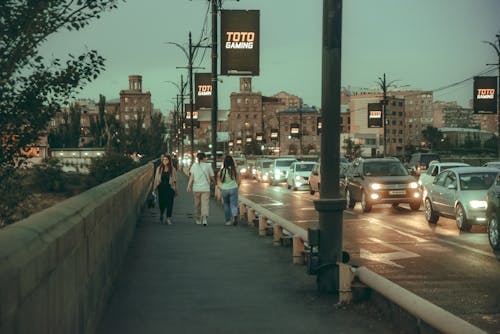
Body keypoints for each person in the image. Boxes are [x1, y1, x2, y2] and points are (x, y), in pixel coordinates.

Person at [186, 152, 214, 226]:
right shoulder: (208, 166)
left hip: (196, 188)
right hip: (205, 188)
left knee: (197, 204)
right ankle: (204, 219)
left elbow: (191, 177)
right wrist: (212, 181)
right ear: (204, 158)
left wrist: (188, 186)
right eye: (205, 157)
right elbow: (212, 177)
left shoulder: (194, 166)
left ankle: (198, 219)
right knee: (205, 204)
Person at [153, 154, 178, 225]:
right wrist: (154, 189)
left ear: (169, 160)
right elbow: (156, 179)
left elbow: (175, 180)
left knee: (170, 203)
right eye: (163, 159)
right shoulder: (159, 168)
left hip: (170, 188)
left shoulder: (172, 169)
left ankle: (168, 218)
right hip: (161, 188)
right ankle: (161, 213)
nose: (165, 161)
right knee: (162, 203)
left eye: (166, 159)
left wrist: (176, 189)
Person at [218, 155, 240, 226]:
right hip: (233, 188)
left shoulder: (222, 171)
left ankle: (228, 221)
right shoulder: (235, 170)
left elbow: (220, 180)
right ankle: (235, 215)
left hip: (224, 189)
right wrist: (237, 186)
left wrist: (220, 187)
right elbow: (239, 180)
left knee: (226, 205)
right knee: (234, 204)